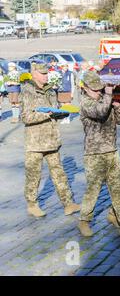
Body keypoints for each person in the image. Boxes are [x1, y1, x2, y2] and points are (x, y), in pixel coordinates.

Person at [19, 63, 80, 218]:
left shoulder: (51, 91)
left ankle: (68, 204)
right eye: (42, 73)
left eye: (47, 73)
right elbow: (25, 117)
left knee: (59, 174)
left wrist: (62, 113)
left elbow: (55, 109)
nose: (46, 76)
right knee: (34, 175)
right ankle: (32, 204)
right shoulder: (27, 91)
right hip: (35, 142)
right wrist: (48, 114)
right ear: (34, 74)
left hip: (52, 140)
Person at [77, 72, 120, 238]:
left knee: (119, 189)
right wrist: (108, 96)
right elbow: (99, 113)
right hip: (94, 153)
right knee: (93, 189)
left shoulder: (104, 100)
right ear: (85, 88)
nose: (98, 91)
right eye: (94, 89)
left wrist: (118, 107)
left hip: (111, 151)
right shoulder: (85, 102)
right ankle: (84, 220)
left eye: (100, 88)